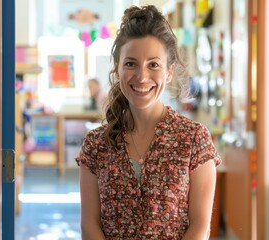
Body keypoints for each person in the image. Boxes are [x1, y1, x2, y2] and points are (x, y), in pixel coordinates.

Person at [75, 5, 221, 239]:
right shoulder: (96, 144)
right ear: (117, 68)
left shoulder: (194, 139)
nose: (142, 77)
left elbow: (200, 227)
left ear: (169, 72)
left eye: (153, 64)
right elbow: (89, 225)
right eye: (131, 63)